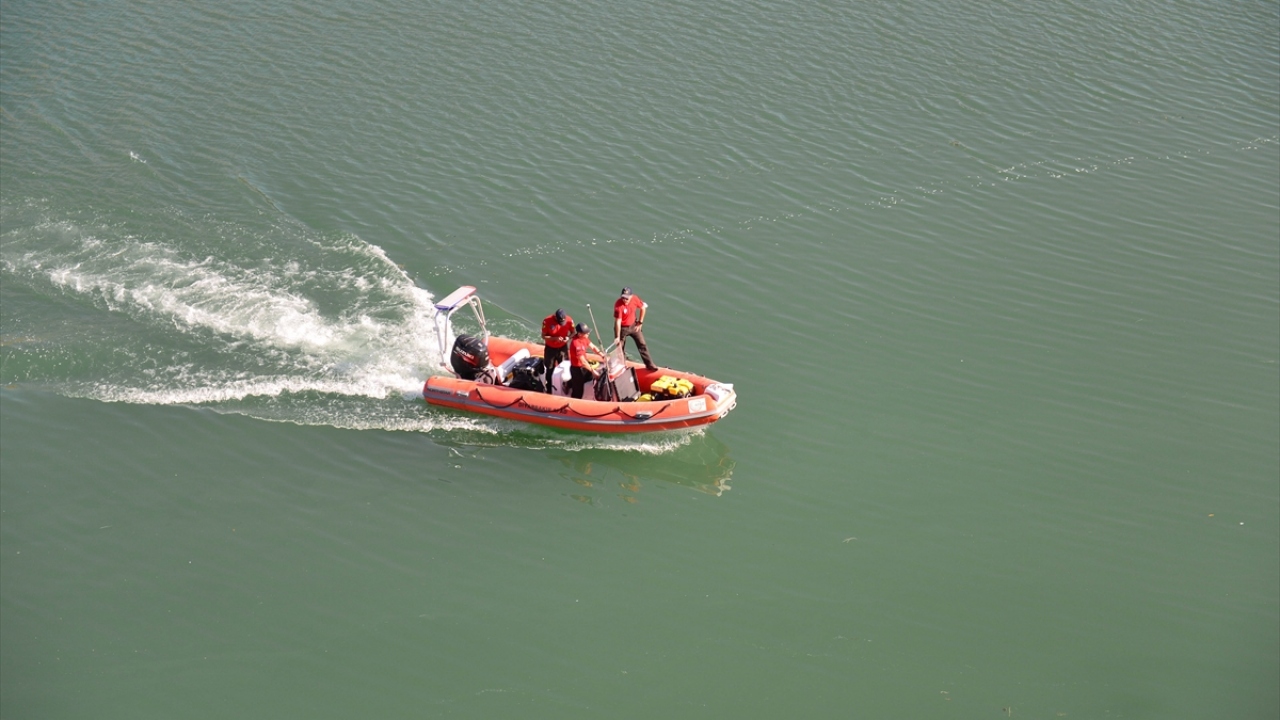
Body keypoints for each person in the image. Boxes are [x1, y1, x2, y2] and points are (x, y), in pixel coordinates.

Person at [613, 286, 657, 372]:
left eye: (626, 298)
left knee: (642, 344)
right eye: (623, 297)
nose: (624, 300)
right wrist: (617, 337)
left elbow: (643, 308)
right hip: (622, 328)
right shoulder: (618, 306)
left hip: (634, 326)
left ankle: (650, 365)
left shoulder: (635, 299)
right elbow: (617, 322)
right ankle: (621, 365)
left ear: (631, 296)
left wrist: (640, 322)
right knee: (620, 347)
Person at [566, 323, 605, 399]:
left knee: (589, 377)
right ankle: (573, 401)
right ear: (580, 334)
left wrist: (601, 354)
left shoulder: (585, 338)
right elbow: (583, 361)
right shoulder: (576, 344)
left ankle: (569, 383)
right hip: (577, 369)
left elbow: (593, 347)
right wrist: (593, 371)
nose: (588, 333)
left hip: (583, 367)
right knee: (578, 392)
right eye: (586, 332)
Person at [540, 308, 574, 391]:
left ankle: (565, 386)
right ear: (555, 317)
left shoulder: (569, 320)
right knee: (550, 369)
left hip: (563, 348)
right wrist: (555, 338)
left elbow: (573, 332)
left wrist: (568, 338)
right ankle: (549, 388)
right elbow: (544, 336)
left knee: (565, 368)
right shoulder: (547, 321)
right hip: (550, 349)